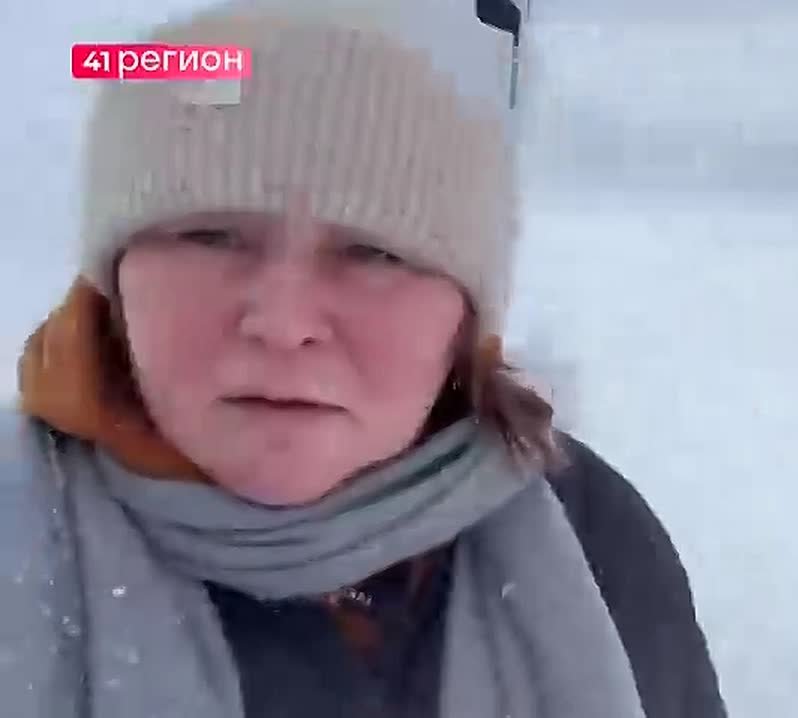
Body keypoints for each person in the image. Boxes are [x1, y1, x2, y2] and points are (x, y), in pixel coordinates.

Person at [0, 1, 726, 716]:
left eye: (374, 252)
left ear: (466, 313)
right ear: (114, 281)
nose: (283, 324)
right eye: (211, 236)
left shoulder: (593, 537)